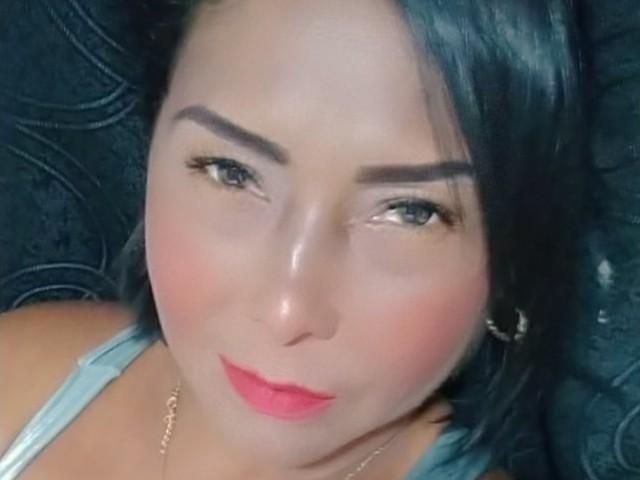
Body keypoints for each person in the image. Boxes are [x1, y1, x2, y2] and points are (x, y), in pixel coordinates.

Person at [0, 0, 585, 478]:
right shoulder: (22, 373)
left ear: (512, 254)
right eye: (231, 172)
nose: (287, 311)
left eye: (410, 212)